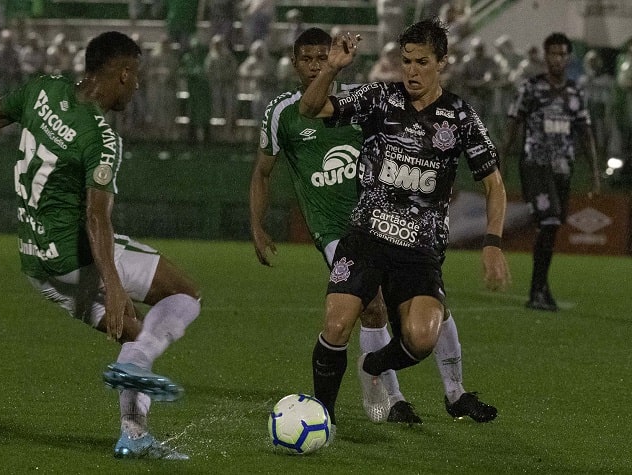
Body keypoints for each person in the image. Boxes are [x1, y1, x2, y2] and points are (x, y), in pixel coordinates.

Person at [0, 31, 201, 460]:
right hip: (76, 256)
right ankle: (134, 373)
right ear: (123, 74)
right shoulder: (101, 139)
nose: (138, 85)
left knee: (137, 337)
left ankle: (135, 435)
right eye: (137, 76)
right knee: (185, 294)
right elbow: (96, 218)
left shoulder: (42, 91)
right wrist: (114, 283)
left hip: (38, 265)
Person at [253, 25, 503, 428]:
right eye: (406, 61)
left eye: (422, 62)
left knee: (422, 337)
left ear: (442, 63)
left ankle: (374, 366)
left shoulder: (459, 117)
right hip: (365, 238)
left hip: (419, 250)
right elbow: (311, 109)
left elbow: (494, 184)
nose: (412, 71)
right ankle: (323, 417)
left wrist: (492, 242)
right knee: (336, 323)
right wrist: (331, 69)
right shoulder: (380, 98)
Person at [501, 32, 600, 312]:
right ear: (545, 56)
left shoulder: (575, 92)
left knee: (552, 225)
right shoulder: (530, 88)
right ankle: (536, 291)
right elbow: (512, 125)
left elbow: (585, 132)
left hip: (563, 167)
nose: (558, 58)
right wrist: (501, 163)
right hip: (535, 164)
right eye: (553, 53)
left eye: (562, 53)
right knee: (549, 220)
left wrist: (594, 172)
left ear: (568, 58)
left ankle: (542, 289)